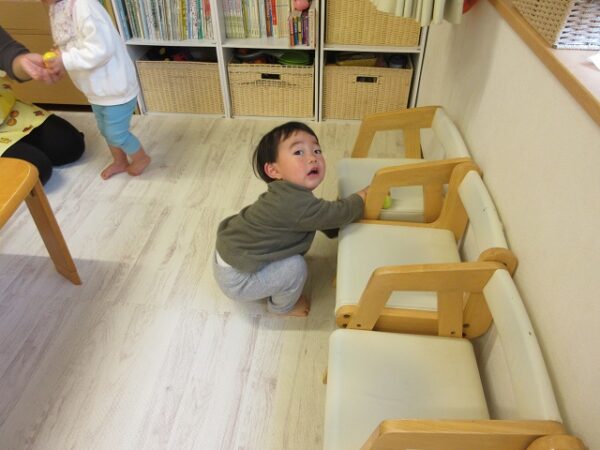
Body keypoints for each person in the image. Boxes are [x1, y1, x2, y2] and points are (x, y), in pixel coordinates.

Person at [214, 122, 369, 317]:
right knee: (295, 268)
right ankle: (282, 308)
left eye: (317, 150)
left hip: (232, 256)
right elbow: (336, 213)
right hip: (238, 280)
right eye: (298, 152)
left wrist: (335, 226)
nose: (312, 158)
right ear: (274, 171)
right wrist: (362, 197)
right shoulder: (294, 204)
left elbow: (320, 217)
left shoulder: (289, 196)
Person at [43, 0, 150, 179]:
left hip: (115, 87)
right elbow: (69, 43)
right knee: (105, 130)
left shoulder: (85, 6)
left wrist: (66, 60)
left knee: (116, 133)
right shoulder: (58, 7)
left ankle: (141, 158)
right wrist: (59, 59)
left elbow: (101, 49)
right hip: (96, 90)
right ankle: (120, 161)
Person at [0, 25, 85, 185]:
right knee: (33, 171)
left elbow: (5, 50)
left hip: (5, 111)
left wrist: (22, 62)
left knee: (68, 145)